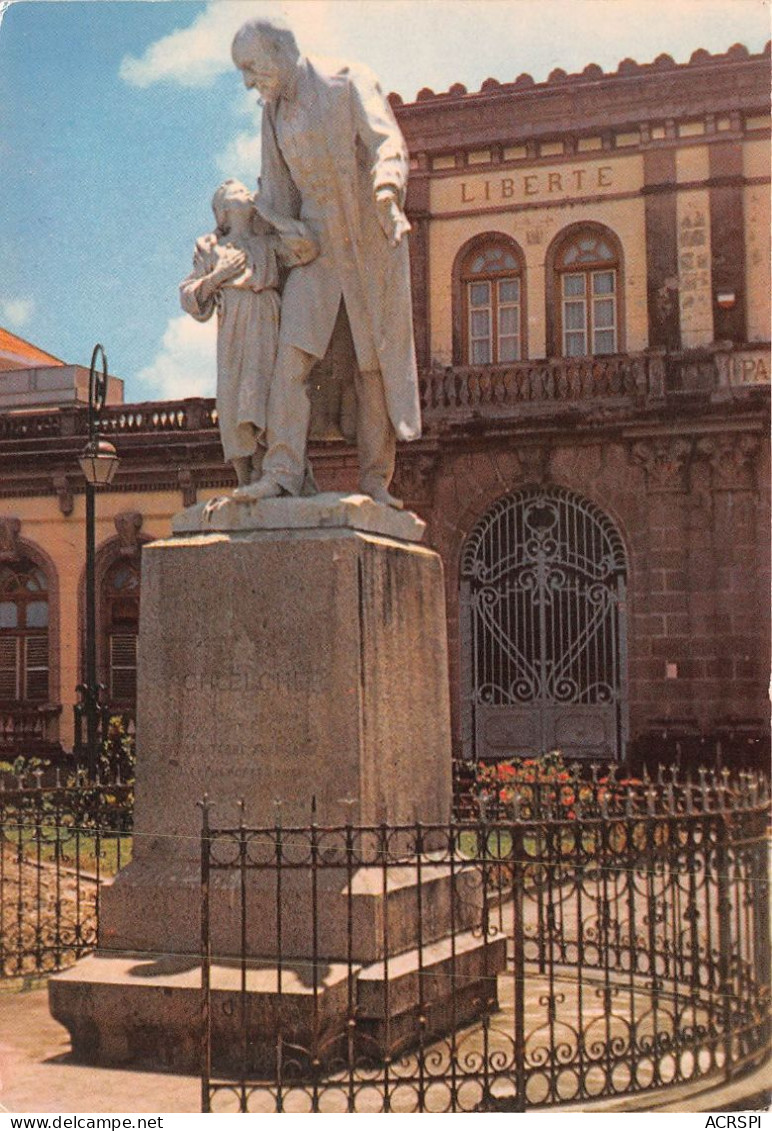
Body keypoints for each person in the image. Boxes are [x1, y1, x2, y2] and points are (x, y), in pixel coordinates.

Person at [231, 17, 421, 508]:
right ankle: (282, 471)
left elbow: (387, 144)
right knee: (291, 359)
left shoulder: (348, 79)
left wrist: (387, 194)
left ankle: (376, 480)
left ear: (279, 50)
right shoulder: (271, 113)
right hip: (315, 248)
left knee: (371, 363)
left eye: (251, 68)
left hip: (366, 238)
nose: (249, 82)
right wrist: (276, 232)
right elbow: (276, 189)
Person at [179, 178, 317, 493]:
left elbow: (307, 248)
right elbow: (188, 296)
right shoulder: (209, 247)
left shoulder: (267, 242)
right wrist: (218, 278)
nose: (245, 192)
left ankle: (266, 468)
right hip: (233, 324)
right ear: (224, 212)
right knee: (233, 394)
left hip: (267, 316)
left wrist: (271, 215)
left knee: (266, 390)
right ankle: (244, 474)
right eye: (237, 192)